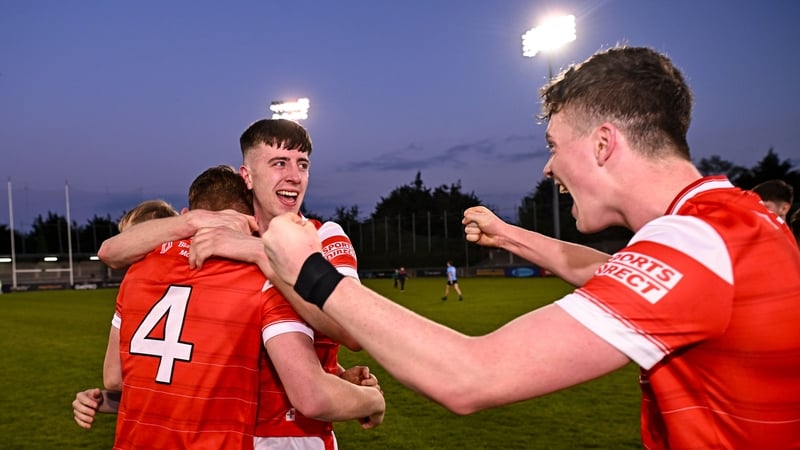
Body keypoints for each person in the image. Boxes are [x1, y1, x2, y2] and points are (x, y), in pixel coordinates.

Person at [261, 46, 800, 449]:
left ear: (604, 144)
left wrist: (310, 269)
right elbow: (614, 270)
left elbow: (471, 375)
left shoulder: (696, 240)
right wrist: (509, 235)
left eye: (553, 146)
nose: (549, 168)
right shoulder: (733, 221)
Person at [85, 120, 374, 449]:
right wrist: (193, 222)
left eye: (303, 165)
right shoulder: (217, 252)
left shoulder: (323, 236)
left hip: (293, 435)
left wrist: (258, 252)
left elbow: (352, 329)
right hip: (229, 429)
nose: (294, 175)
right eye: (279, 163)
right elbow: (111, 251)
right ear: (247, 177)